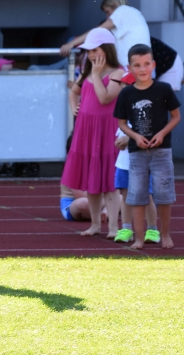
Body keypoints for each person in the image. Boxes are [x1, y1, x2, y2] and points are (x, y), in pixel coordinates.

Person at [114, 44, 181, 249]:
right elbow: (121, 122)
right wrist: (134, 136)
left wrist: (162, 133)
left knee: (163, 194)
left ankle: (165, 234)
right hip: (137, 152)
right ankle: (139, 238)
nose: (142, 69)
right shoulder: (126, 94)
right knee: (136, 194)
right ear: (130, 67)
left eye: (146, 64)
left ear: (153, 65)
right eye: (137, 65)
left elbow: (175, 116)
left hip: (161, 150)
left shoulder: (163, 89)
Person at [61, 28, 124, 237]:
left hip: (107, 131)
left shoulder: (118, 73)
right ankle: (96, 224)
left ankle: (114, 226)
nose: (92, 55)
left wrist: (96, 76)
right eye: (89, 51)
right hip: (87, 130)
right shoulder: (88, 73)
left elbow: (106, 98)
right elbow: (74, 91)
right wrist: (74, 107)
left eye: (96, 50)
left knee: (110, 183)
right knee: (92, 182)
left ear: (107, 50)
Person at [60, 0, 150, 69]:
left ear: (115, 5)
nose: (107, 17)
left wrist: (71, 43)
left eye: (107, 12)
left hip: (134, 69)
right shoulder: (131, 14)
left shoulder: (123, 10)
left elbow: (97, 31)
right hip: (138, 67)